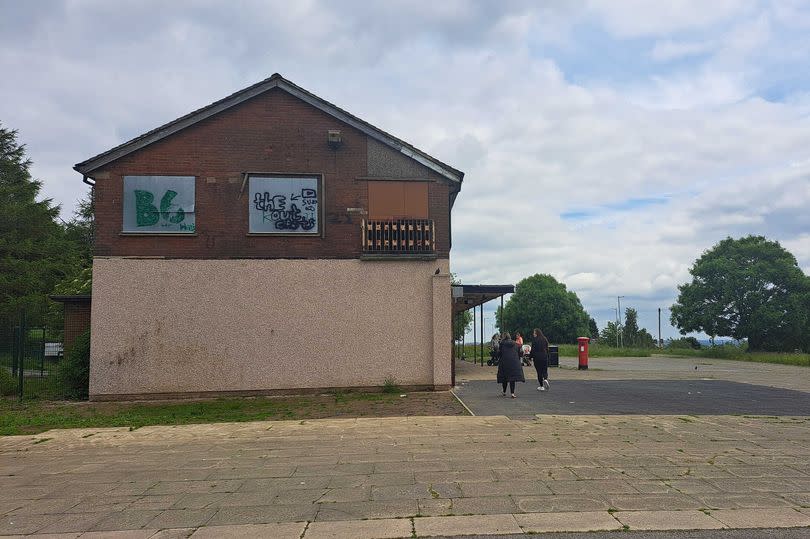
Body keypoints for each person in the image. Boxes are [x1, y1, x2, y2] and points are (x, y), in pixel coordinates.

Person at [496, 332, 525, 398]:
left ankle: (504, 391)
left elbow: (499, 353)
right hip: (514, 362)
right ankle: (512, 393)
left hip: (505, 362)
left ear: (503, 337)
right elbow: (520, 353)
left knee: (504, 377)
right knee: (512, 378)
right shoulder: (515, 343)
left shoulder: (502, 344)